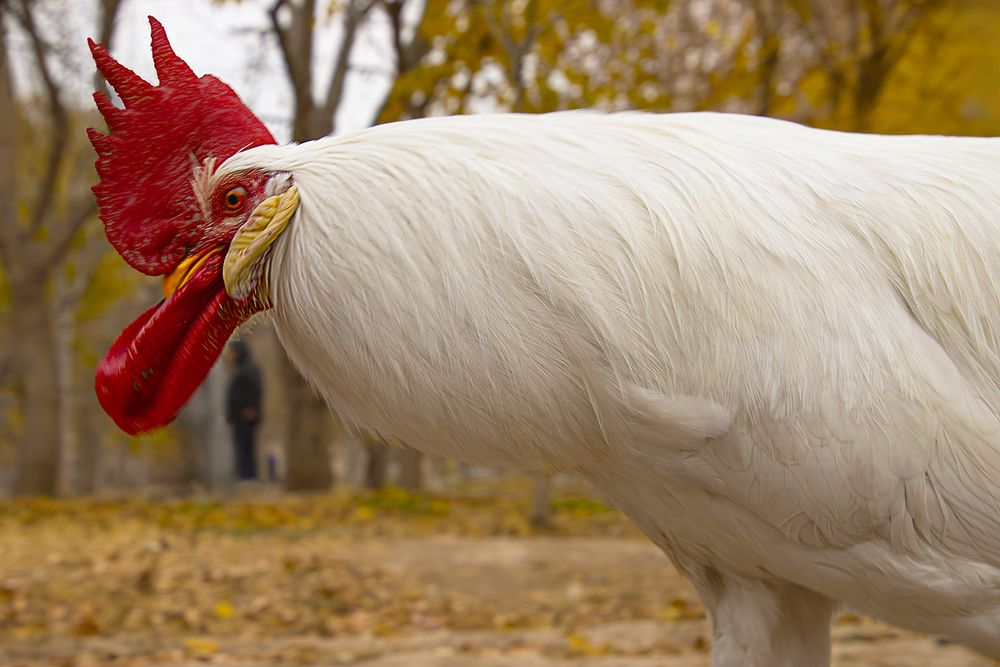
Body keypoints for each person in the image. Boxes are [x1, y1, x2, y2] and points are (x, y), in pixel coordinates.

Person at [225, 340, 262, 480]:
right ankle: (243, 475)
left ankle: (249, 476)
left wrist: (252, 408)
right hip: (238, 416)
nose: (231, 355)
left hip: (247, 415)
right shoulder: (240, 368)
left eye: (233, 352)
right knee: (241, 446)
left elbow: (255, 390)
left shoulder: (249, 368)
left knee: (247, 447)